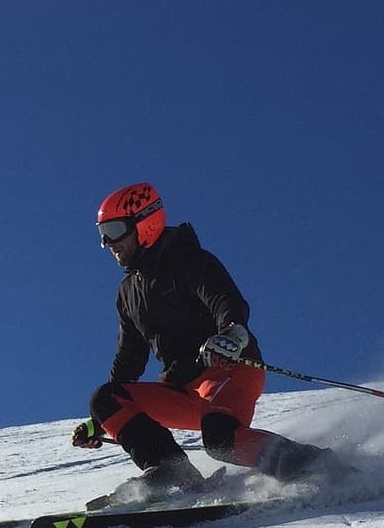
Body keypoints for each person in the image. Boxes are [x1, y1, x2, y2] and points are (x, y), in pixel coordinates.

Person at [73, 181, 336, 504]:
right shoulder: (128, 293)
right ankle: (171, 471)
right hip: (182, 389)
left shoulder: (188, 259)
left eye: (115, 230)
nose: (109, 243)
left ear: (146, 222)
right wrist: (102, 420)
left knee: (220, 439)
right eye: (102, 234)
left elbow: (225, 301)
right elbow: (129, 359)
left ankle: (318, 466)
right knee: (105, 398)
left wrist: (232, 332)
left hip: (227, 369)